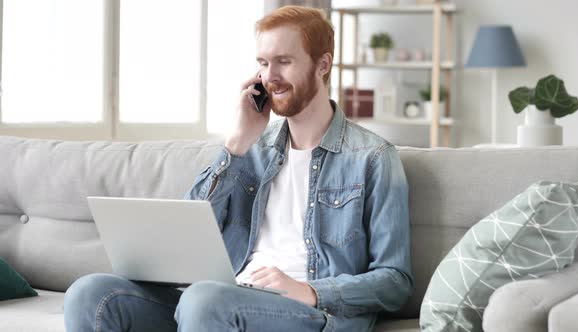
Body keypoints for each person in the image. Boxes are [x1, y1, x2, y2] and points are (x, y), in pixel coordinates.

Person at [64, 5, 413, 332]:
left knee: (205, 300)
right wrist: (235, 144)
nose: (270, 76)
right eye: (262, 62)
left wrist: (309, 290)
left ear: (323, 64)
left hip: (313, 312)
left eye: (284, 61)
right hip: (224, 298)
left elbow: (395, 280)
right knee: (91, 292)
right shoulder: (251, 150)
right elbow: (186, 233)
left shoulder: (373, 157)